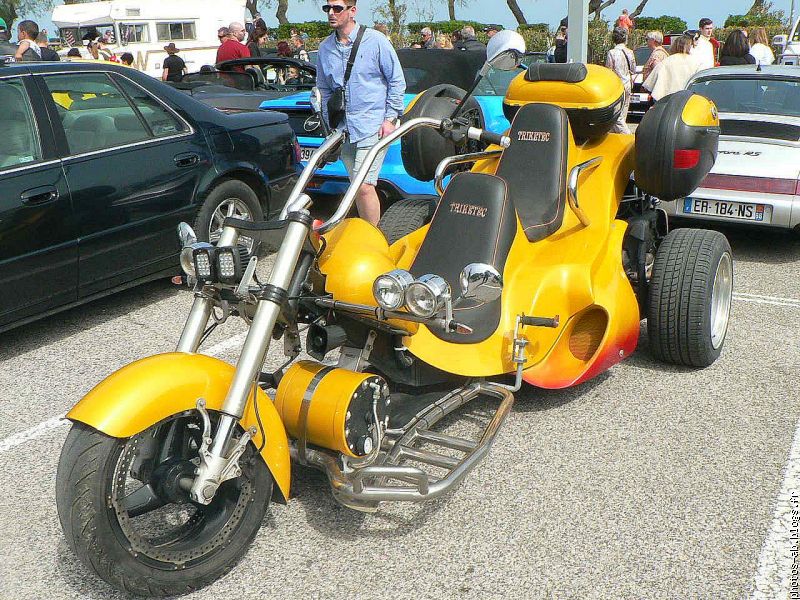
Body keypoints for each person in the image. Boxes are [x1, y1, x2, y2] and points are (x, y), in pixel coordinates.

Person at [317, 0, 405, 225]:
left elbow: (396, 80)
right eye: (328, 8)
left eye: (338, 8)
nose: (331, 13)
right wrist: (330, 124)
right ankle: (364, 230)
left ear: (352, 11)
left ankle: (372, 235)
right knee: (357, 186)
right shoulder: (325, 48)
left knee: (364, 186)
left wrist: (390, 118)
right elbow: (324, 89)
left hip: (372, 125)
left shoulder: (375, 41)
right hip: (344, 129)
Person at [643, 34, 701, 101]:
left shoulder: (665, 62)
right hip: (689, 99)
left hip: (667, 100)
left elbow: (649, 84)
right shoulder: (697, 62)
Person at [605, 27, 635, 134]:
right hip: (628, 84)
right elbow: (633, 69)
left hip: (617, 85)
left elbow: (609, 70)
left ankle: (627, 135)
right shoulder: (630, 52)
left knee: (617, 115)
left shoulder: (612, 53)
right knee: (624, 113)